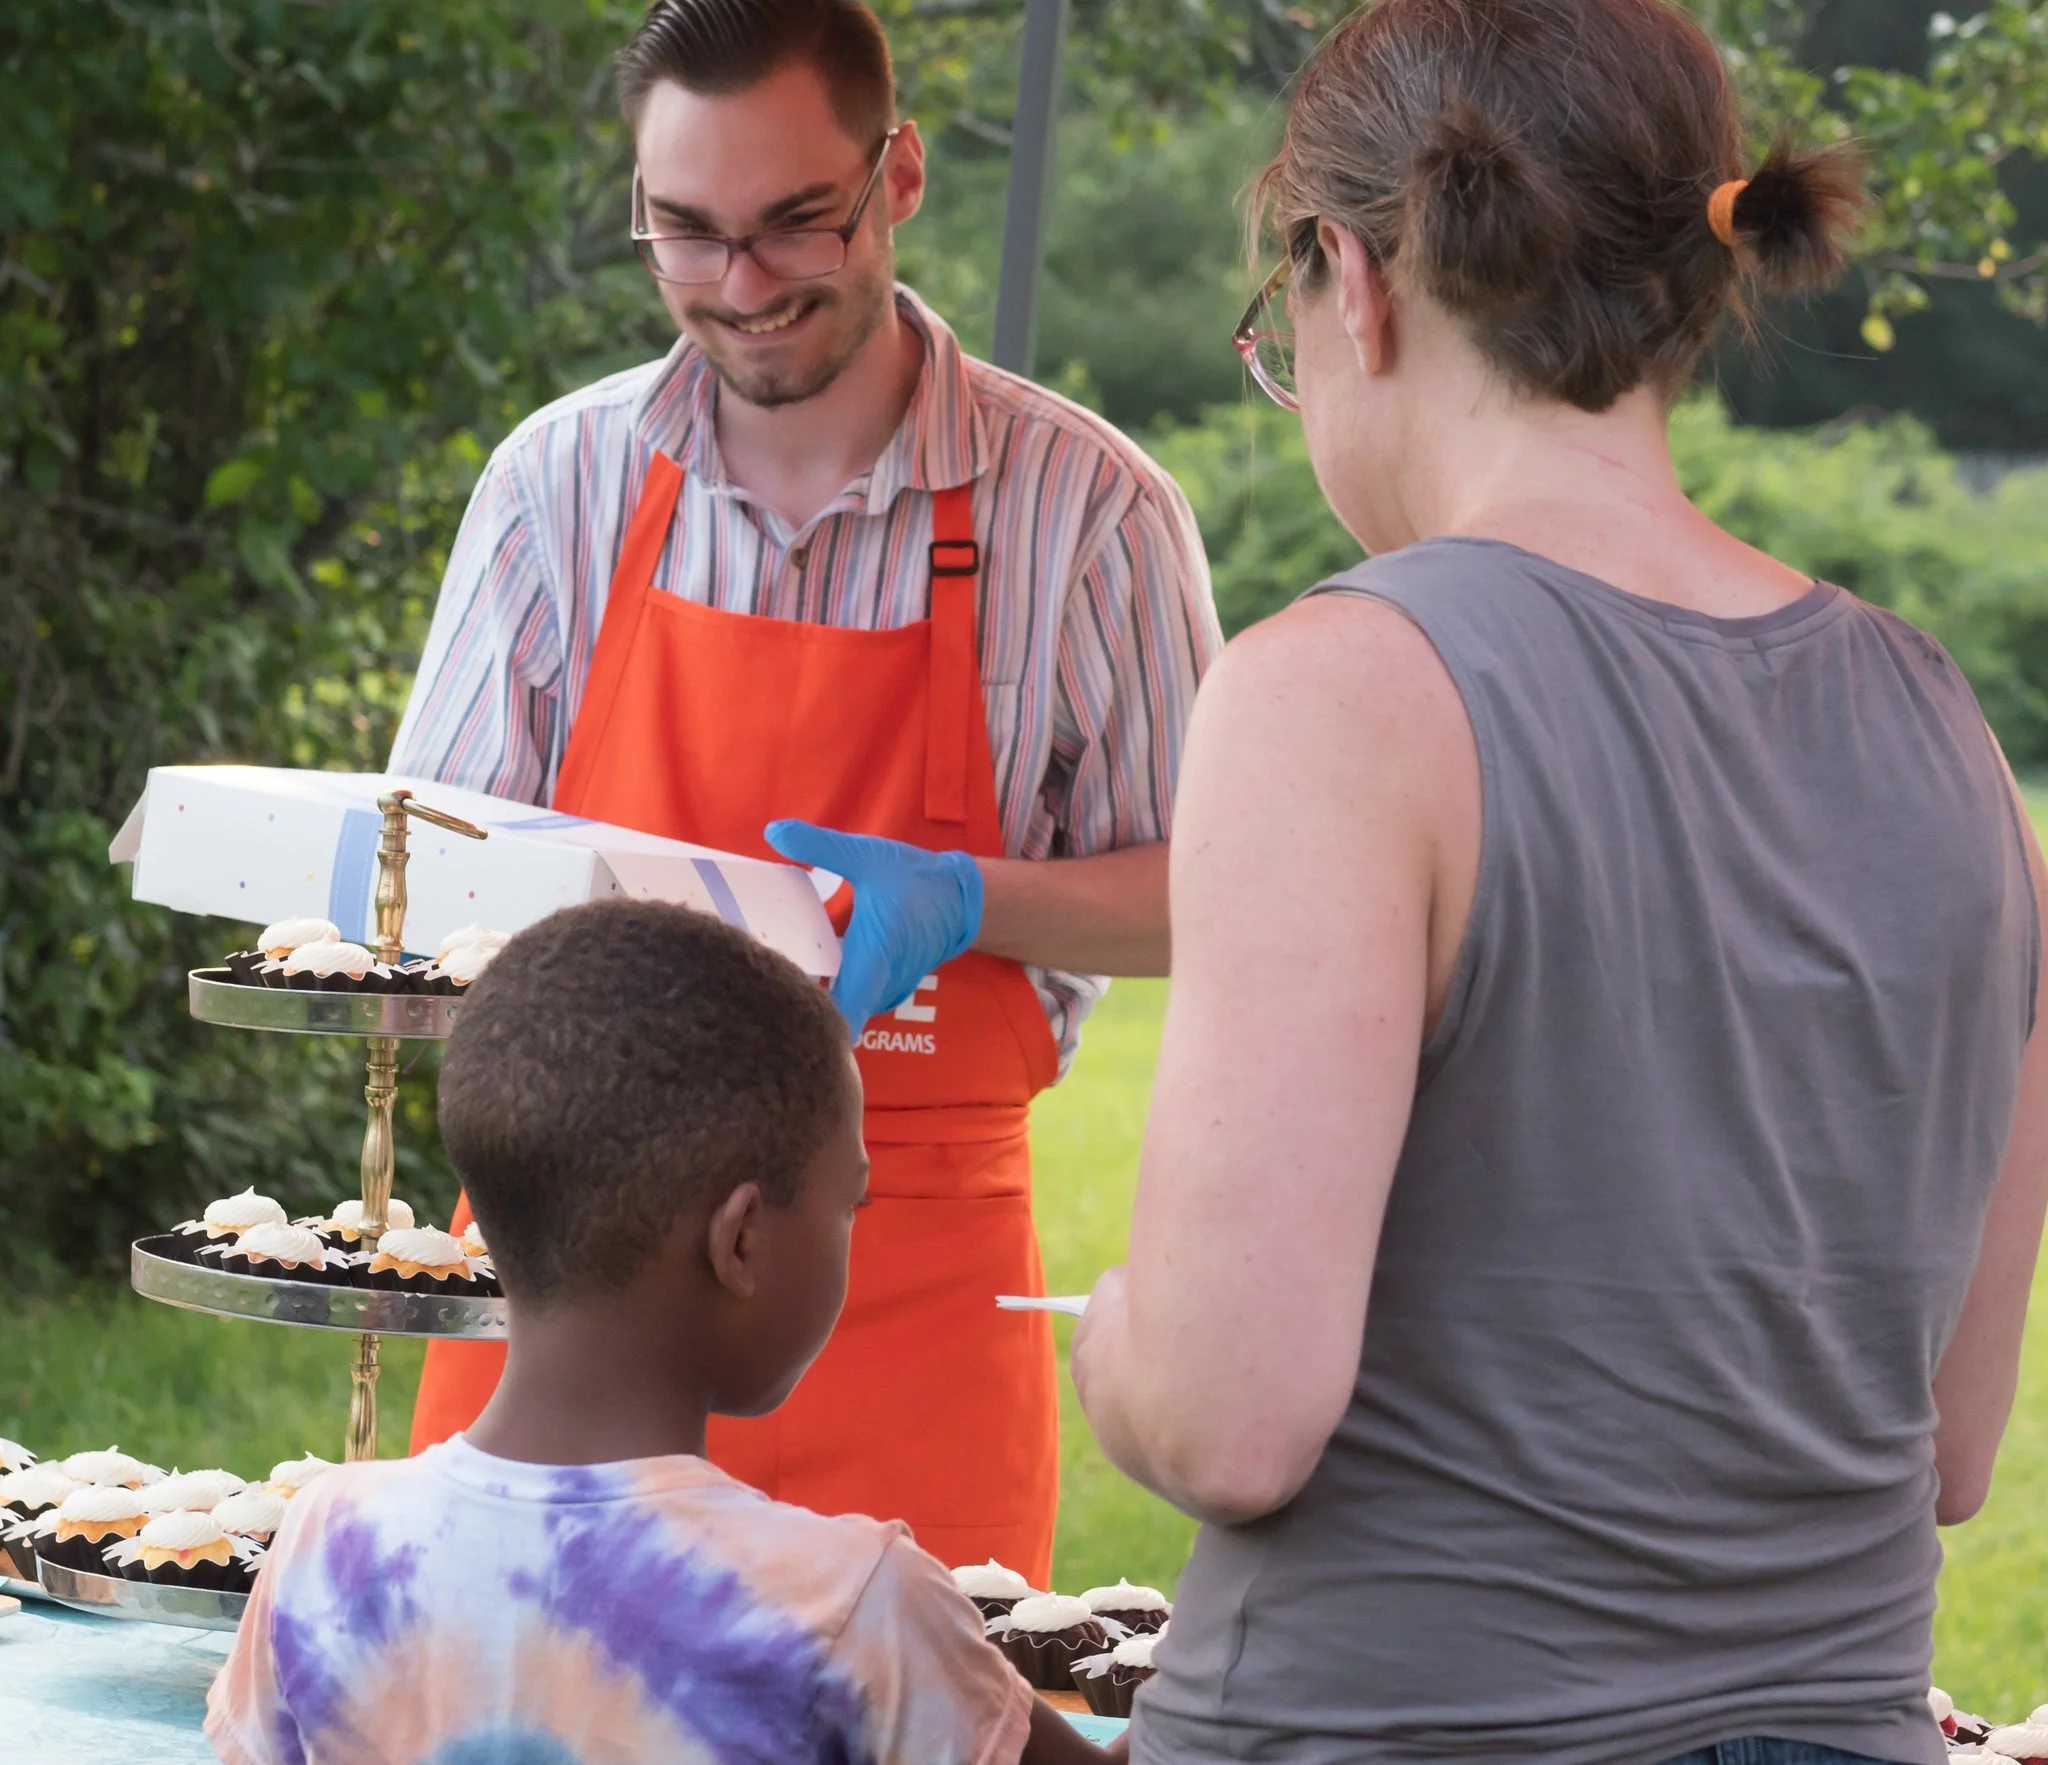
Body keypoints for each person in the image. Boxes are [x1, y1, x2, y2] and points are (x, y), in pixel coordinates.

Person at [1071, 2, 2048, 1762]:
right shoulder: (1945, 730)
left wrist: (1117, 1339)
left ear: (1349, 279)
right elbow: (1947, 1450)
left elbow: (1227, 1422)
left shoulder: (1335, 695)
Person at [389, 0, 1219, 1588]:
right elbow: (429, 879)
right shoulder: (555, 486)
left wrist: (980, 897)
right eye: (686, 233)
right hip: (563, 1295)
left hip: (913, 1295)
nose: (743, 287)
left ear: (898, 174)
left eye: (795, 225)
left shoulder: (1091, 512)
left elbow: (1223, 893)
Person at [206, 899, 1126, 1765]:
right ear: (742, 1239)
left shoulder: (326, 1549)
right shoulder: (856, 1607)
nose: (856, 1228)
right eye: (854, 1201)